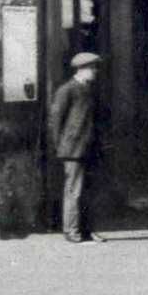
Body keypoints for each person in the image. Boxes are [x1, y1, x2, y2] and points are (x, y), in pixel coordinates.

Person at [49, 51, 103, 243]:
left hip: (88, 147)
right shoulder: (67, 90)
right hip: (73, 149)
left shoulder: (90, 89)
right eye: (92, 68)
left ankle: (88, 230)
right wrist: (60, 146)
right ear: (82, 70)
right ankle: (71, 230)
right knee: (74, 190)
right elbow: (56, 120)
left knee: (88, 191)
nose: (95, 71)